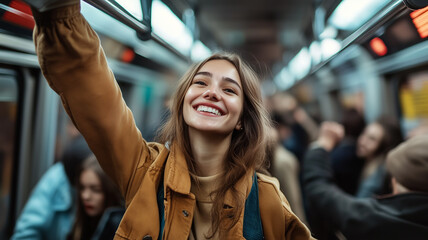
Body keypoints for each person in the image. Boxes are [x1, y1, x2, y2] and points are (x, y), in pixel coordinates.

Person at [25, 1, 313, 239]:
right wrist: (57, 13)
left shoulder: (266, 200)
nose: (211, 93)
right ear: (183, 102)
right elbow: (99, 104)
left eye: (228, 89)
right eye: (200, 83)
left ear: (242, 119)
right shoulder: (146, 173)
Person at [303, 122, 428, 240]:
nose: (363, 141)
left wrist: (321, 146)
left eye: (372, 139)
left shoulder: (380, 218)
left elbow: (320, 191)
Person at [11, 136, 91, 240]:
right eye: (82, 187)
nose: (87, 195)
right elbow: (26, 232)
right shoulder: (57, 178)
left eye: (95, 189)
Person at [67, 155, 123, 240]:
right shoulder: (79, 227)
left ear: (110, 191)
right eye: (82, 188)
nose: (85, 196)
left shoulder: (120, 229)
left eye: (96, 190)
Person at [355, 117, 403, 198]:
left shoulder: (378, 174)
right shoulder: (370, 163)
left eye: (372, 139)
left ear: (384, 146)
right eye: (364, 133)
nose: (362, 141)